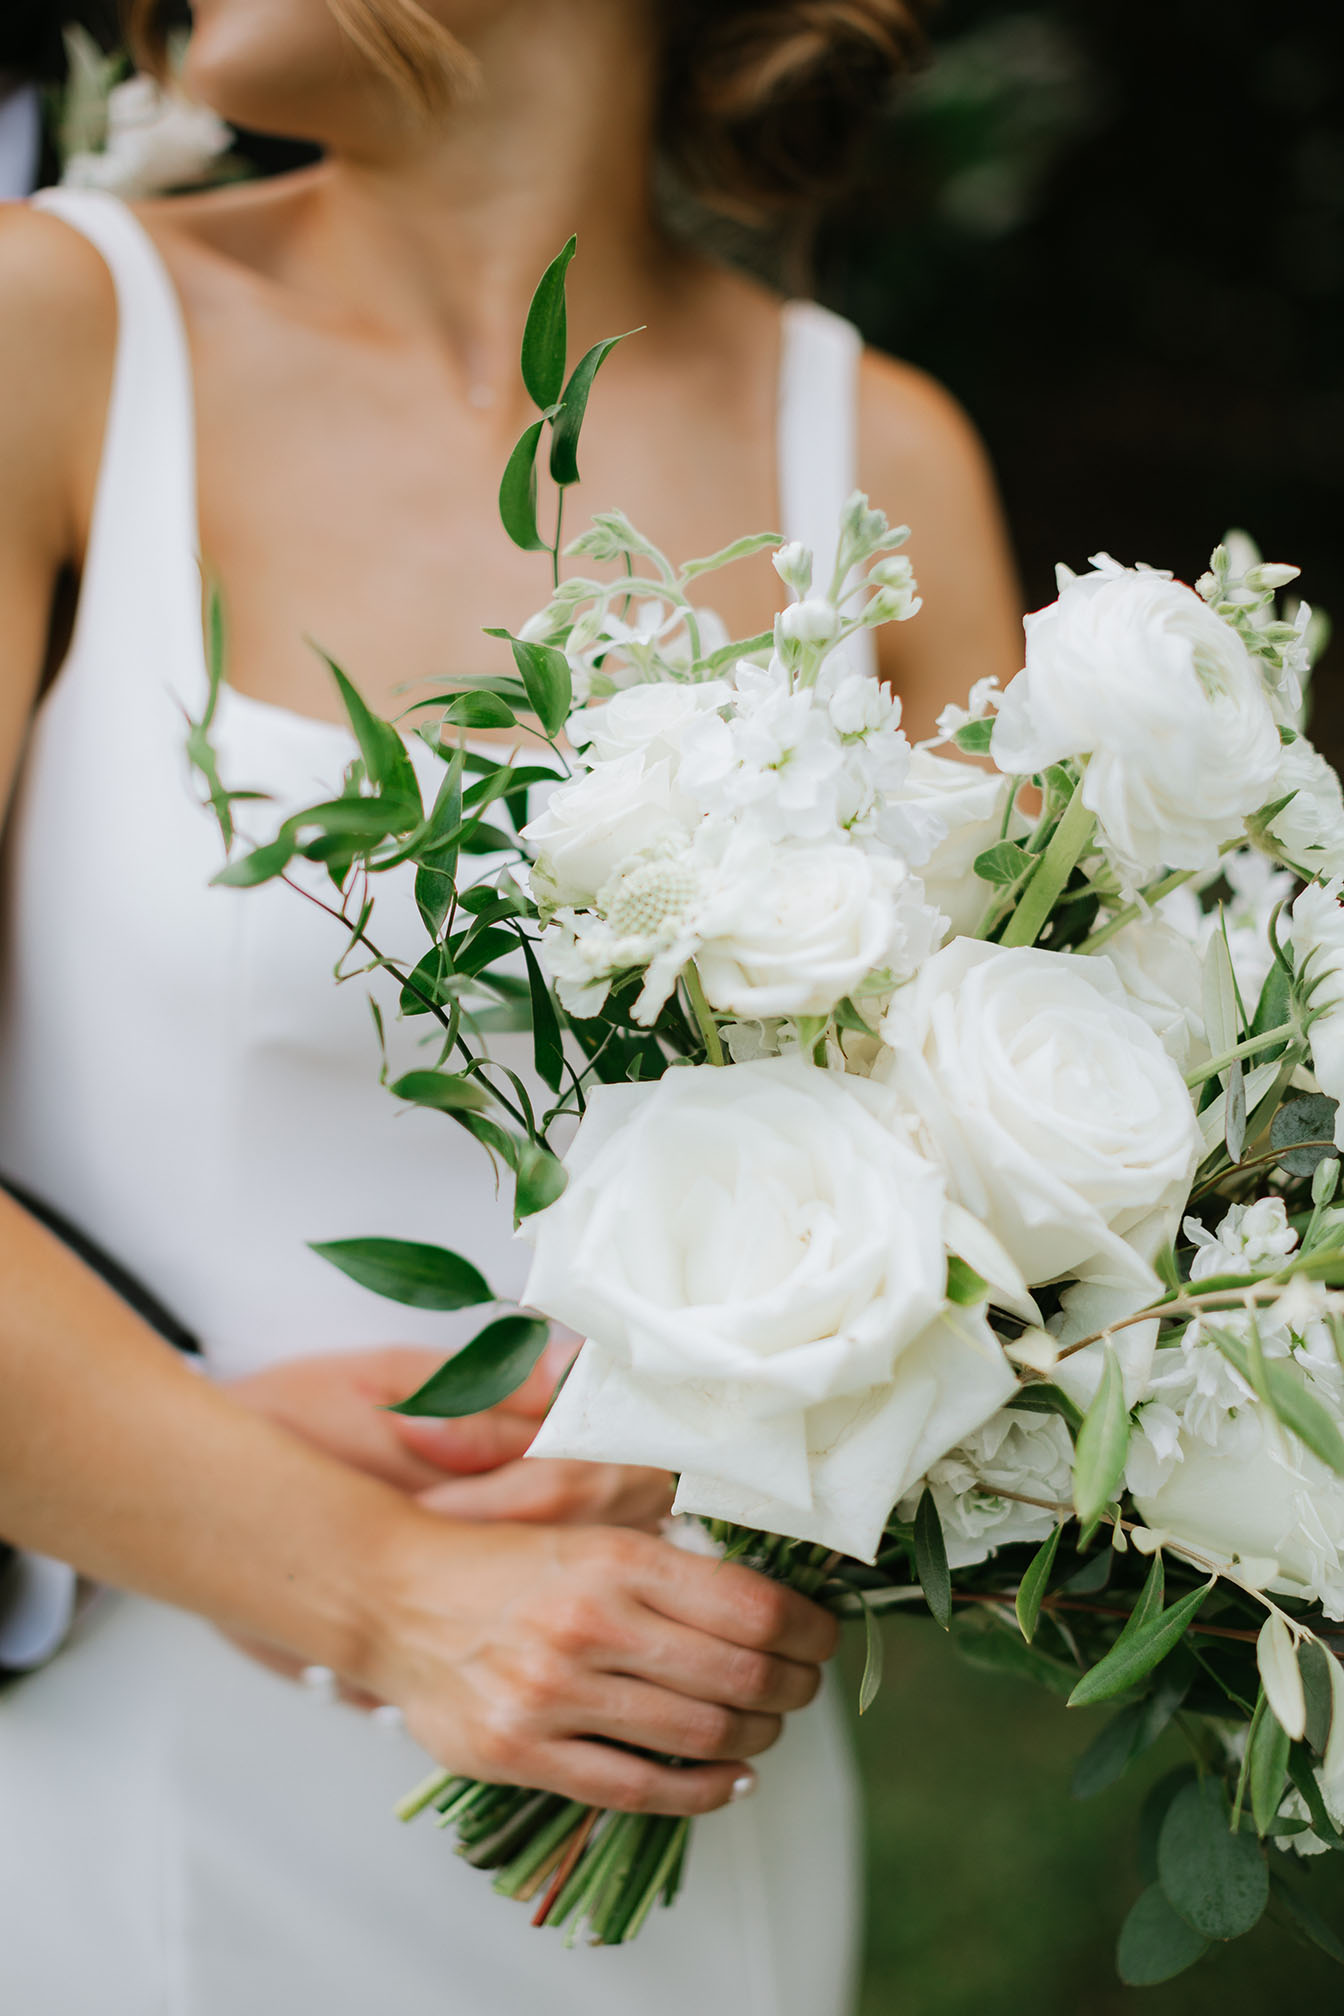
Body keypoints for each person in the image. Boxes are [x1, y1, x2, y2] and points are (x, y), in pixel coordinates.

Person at [0, 3, 1023, 2012]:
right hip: (126, 1797)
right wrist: (381, 1589)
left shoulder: (881, 459)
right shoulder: (58, 340)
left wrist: (754, 1423)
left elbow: (1026, 1226)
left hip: (664, 1792)